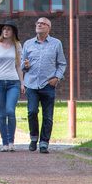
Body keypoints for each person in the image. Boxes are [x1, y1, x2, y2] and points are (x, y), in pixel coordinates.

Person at [21, 17, 67, 153]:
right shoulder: (28, 44)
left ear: (48, 28)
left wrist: (57, 78)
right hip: (32, 84)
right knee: (32, 112)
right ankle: (34, 137)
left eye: (43, 24)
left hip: (48, 84)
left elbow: (62, 64)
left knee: (48, 116)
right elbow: (22, 65)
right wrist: (25, 65)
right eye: (38, 23)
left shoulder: (56, 43)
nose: (39, 25)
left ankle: (44, 142)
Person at [0, 20, 23, 152]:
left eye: (8, 29)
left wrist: (22, 83)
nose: (6, 31)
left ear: (13, 32)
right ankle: (5, 143)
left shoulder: (17, 46)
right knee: (2, 114)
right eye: (4, 29)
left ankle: (11, 141)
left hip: (13, 82)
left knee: (10, 111)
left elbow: (19, 65)